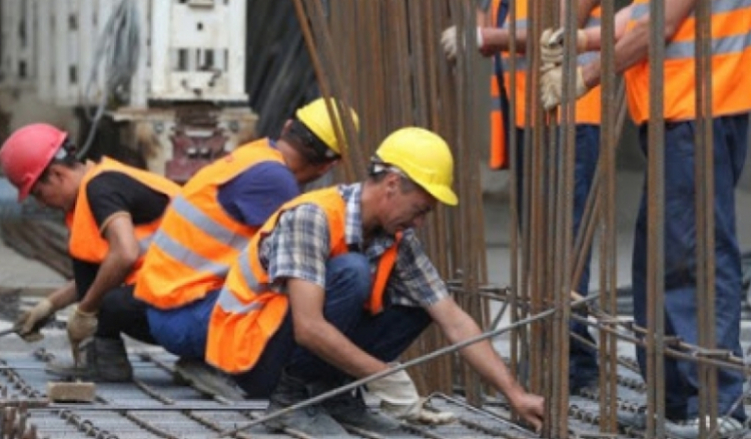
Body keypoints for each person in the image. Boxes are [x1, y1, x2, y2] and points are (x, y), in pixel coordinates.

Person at [545, 0, 751, 438]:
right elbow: (638, 15)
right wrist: (582, 38)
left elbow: (654, 31)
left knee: (694, 258)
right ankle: (674, 401)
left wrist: (585, 78)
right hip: (675, 118)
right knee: (657, 261)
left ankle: (718, 406)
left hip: (701, 115)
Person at [205, 127, 544, 437]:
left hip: (291, 343)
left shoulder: (397, 236)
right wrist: (383, 375)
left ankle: (331, 394)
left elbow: (454, 320)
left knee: (419, 306)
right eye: (421, 209)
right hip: (252, 355)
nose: (421, 222)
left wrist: (515, 394)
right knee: (353, 272)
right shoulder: (313, 217)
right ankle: (290, 400)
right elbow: (308, 327)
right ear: (393, 184)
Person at [441, 0, 603, 393]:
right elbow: (486, 28)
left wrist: (484, 38)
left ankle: (574, 365)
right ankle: (555, 356)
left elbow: (559, 25)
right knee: (539, 249)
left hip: (572, 118)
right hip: (531, 122)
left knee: (565, 246)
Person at [133, 98, 357, 397]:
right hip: (187, 318)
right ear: (329, 165)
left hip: (171, 309)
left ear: (288, 126)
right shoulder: (276, 182)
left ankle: (208, 360)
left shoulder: (256, 155)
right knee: (312, 291)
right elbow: (303, 268)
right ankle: (233, 367)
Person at [0, 123, 181, 381]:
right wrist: (49, 305)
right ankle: (107, 360)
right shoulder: (96, 187)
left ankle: (110, 358)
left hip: (191, 299)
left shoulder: (101, 188)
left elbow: (125, 254)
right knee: (95, 279)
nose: (42, 203)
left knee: (105, 299)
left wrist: (85, 310)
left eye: (39, 193)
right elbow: (103, 270)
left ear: (57, 174)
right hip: (177, 289)